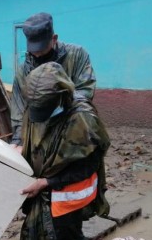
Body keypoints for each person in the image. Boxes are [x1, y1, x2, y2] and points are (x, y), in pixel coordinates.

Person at [3, 61, 110, 240]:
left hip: (67, 193)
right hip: (42, 187)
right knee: (65, 239)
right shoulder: (38, 105)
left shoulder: (82, 119)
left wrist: (47, 182)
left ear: (61, 95)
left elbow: (89, 165)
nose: (36, 113)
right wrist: (17, 146)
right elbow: (28, 130)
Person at [10, 12, 96, 149]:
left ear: (54, 39)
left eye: (42, 50)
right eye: (33, 50)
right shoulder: (24, 70)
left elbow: (86, 91)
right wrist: (19, 140)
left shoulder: (77, 55)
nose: (37, 54)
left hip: (73, 128)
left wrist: (56, 106)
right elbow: (19, 110)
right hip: (38, 133)